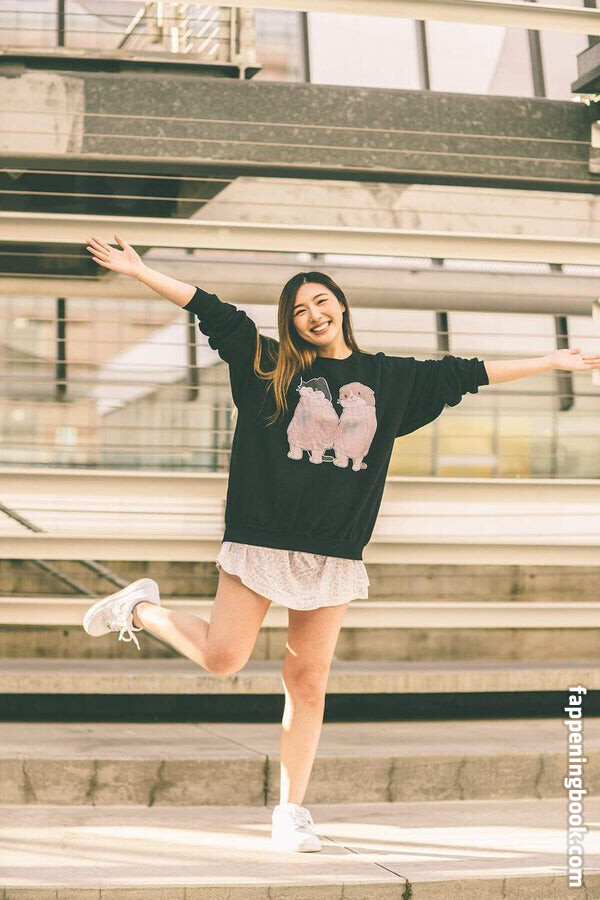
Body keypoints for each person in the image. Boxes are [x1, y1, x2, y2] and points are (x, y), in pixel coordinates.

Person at [81, 233, 600, 852]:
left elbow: (468, 373)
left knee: (307, 681)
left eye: (321, 302)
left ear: (342, 306)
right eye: (299, 310)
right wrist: (141, 272)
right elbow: (212, 310)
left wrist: (551, 362)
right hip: (262, 538)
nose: (313, 315)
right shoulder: (269, 366)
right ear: (291, 322)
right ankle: (139, 608)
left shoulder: (389, 378)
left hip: (334, 550)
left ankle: (291, 810)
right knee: (223, 659)